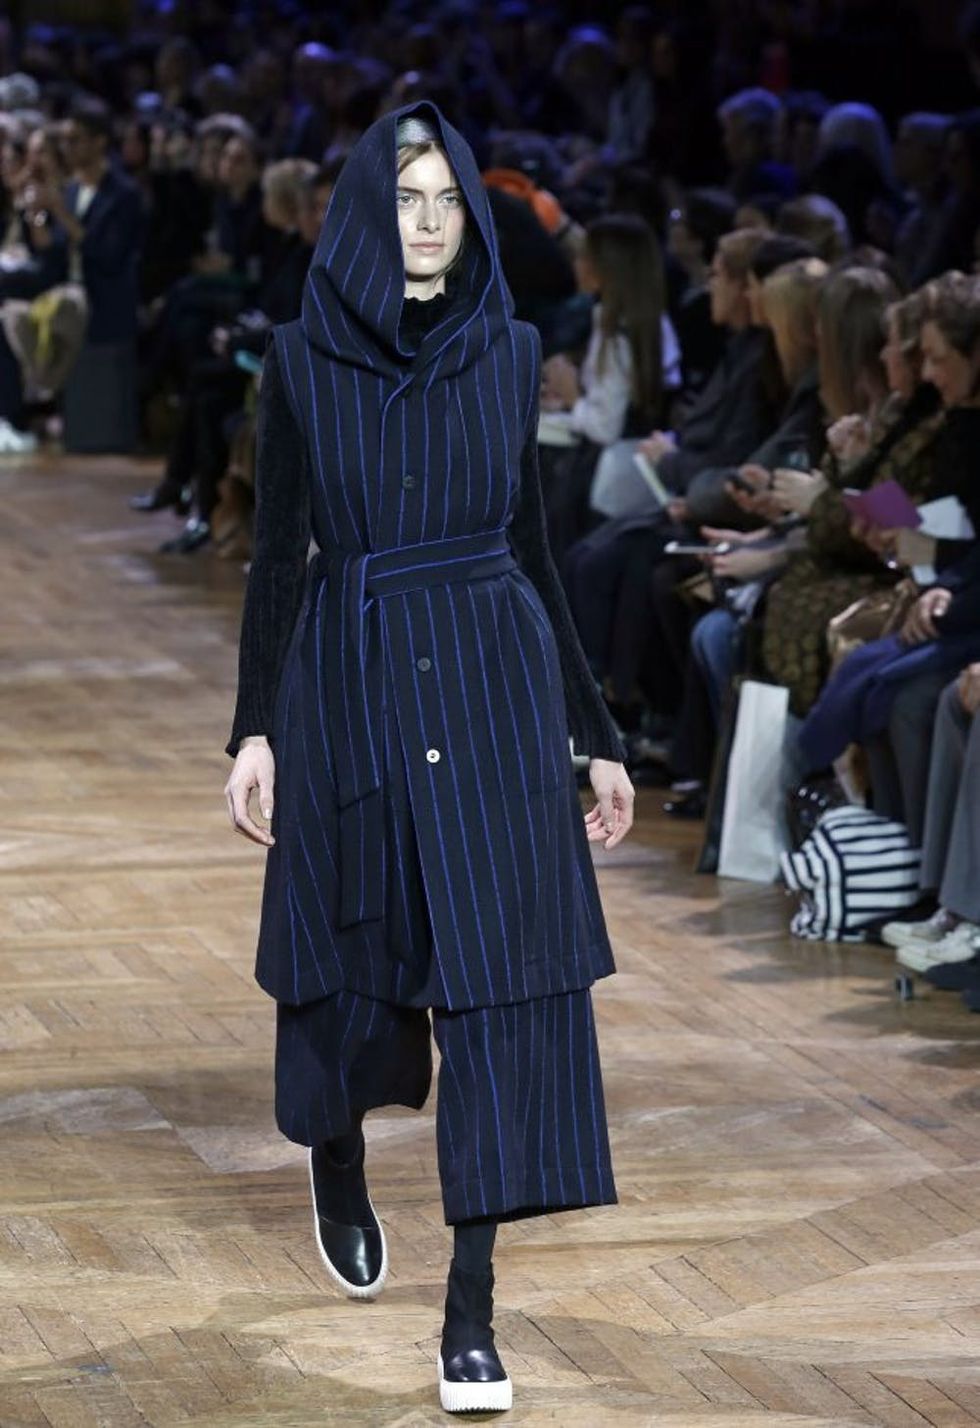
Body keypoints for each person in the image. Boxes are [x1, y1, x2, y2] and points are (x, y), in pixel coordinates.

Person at [222, 100, 635, 1416]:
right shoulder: (301, 361)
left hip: (494, 673)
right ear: (362, 209)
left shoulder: (510, 353)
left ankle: (471, 1314)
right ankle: (337, 1149)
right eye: (405, 198)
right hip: (350, 672)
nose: (427, 222)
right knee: (348, 952)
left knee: (504, 986)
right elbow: (277, 554)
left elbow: (534, 554)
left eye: (447, 200)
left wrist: (595, 734)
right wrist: (254, 728)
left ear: (471, 218)